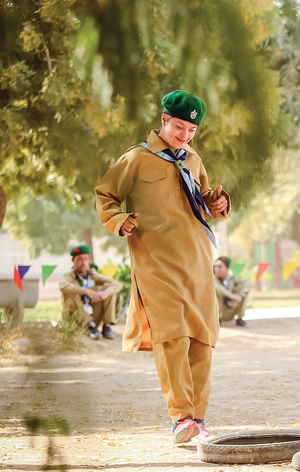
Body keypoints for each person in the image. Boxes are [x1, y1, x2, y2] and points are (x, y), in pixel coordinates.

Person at [95, 90, 230, 444]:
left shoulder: (193, 159)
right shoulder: (136, 159)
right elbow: (106, 194)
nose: (185, 135)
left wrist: (217, 204)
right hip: (156, 262)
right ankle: (181, 418)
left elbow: (203, 201)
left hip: (197, 260)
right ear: (164, 120)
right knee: (172, 336)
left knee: (201, 338)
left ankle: (199, 420)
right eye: (179, 127)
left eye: (192, 130)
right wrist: (119, 219)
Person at [59, 245, 122, 340]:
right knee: (73, 293)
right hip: (76, 319)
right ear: (73, 260)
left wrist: (105, 293)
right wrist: (86, 292)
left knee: (109, 290)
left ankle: (107, 326)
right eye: (79, 259)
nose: (83, 263)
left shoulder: (92, 275)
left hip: (93, 316)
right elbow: (63, 286)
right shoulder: (68, 276)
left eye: (86, 259)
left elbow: (116, 284)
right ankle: (89, 325)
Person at [213, 256, 252, 327]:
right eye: (215, 266)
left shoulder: (232, 280)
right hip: (219, 313)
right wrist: (232, 296)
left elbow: (248, 283)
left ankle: (239, 318)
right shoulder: (213, 280)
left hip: (231, 311)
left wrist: (240, 296)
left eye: (220, 267)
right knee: (217, 291)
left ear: (227, 268)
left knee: (242, 289)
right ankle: (218, 319)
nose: (216, 269)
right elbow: (219, 289)